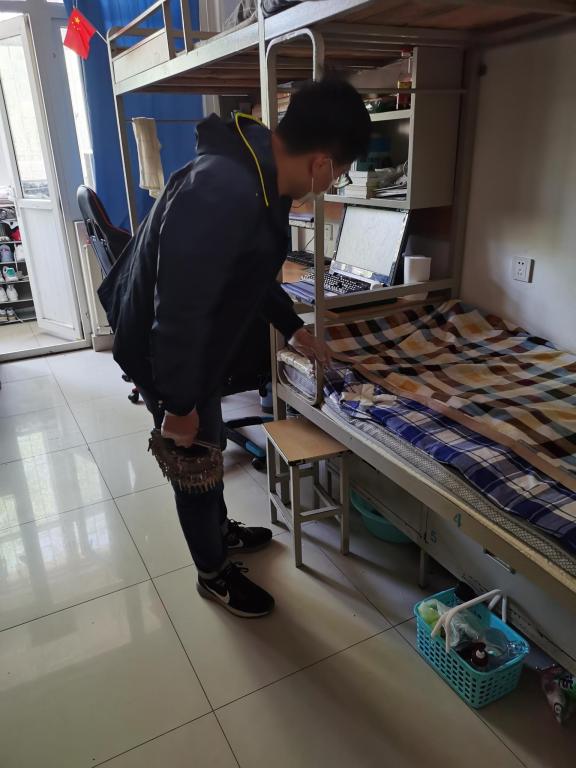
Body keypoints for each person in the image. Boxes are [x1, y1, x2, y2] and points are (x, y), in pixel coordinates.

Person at [99, 78, 371, 618]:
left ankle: (218, 531)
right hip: (161, 347)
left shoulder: (260, 174)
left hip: (186, 344)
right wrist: (178, 404)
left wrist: (292, 328)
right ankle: (213, 574)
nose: (332, 183)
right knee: (194, 457)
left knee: (211, 436)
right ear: (321, 163)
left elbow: (248, 270)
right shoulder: (226, 188)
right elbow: (179, 312)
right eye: (339, 173)